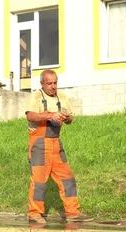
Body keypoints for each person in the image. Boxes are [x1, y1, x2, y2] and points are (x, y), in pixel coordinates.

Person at [25, 69, 92, 223]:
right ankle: (34, 214)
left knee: (67, 178)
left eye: (55, 83)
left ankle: (73, 213)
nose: (53, 86)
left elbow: (70, 120)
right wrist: (50, 115)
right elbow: (30, 115)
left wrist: (67, 117)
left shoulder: (62, 97)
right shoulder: (36, 96)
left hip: (56, 143)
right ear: (42, 83)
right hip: (39, 145)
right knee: (39, 180)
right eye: (49, 83)